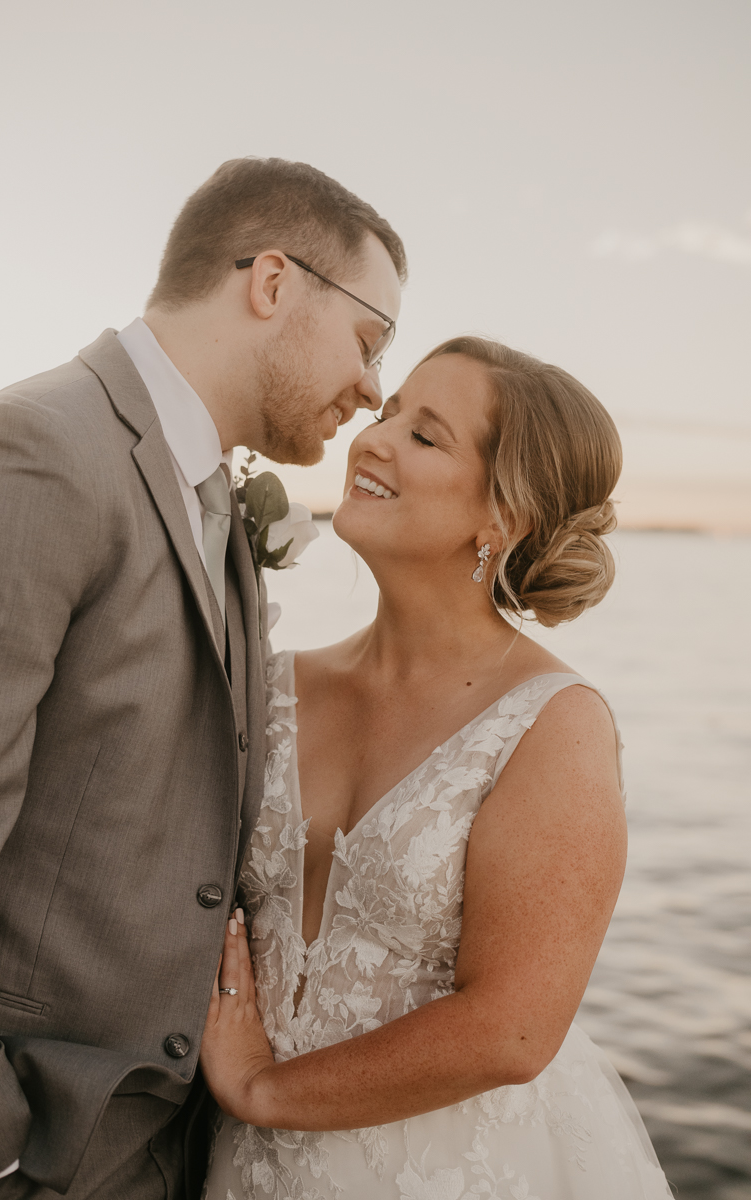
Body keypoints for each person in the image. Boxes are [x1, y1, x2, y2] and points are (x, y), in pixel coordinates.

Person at [0, 157, 404, 1200]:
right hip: (33, 1142)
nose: (373, 387)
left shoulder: (210, 495)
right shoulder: (41, 447)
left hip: (166, 1139)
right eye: (369, 340)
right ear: (273, 283)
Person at [199, 337, 674, 1199]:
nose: (372, 440)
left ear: (503, 518)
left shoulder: (550, 724)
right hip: (243, 1167)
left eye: (425, 436)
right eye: (386, 416)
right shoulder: (270, 685)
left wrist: (263, 1089)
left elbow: (515, 1030)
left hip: (441, 1171)